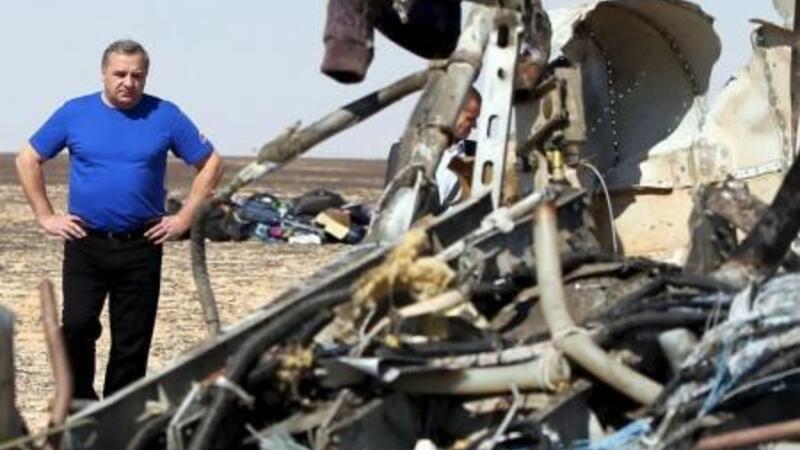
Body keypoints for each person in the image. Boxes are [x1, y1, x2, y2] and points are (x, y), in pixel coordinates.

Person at [15, 39, 224, 400]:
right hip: (86, 242)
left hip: (142, 244)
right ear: (104, 73)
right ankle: (81, 405)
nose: (128, 82)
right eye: (120, 74)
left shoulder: (165, 115)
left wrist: (184, 218)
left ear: (146, 77)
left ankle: (119, 415)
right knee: (77, 326)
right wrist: (45, 216)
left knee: (132, 340)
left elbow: (212, 163)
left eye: (137, 75)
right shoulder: (75, 112)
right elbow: (27, 159)